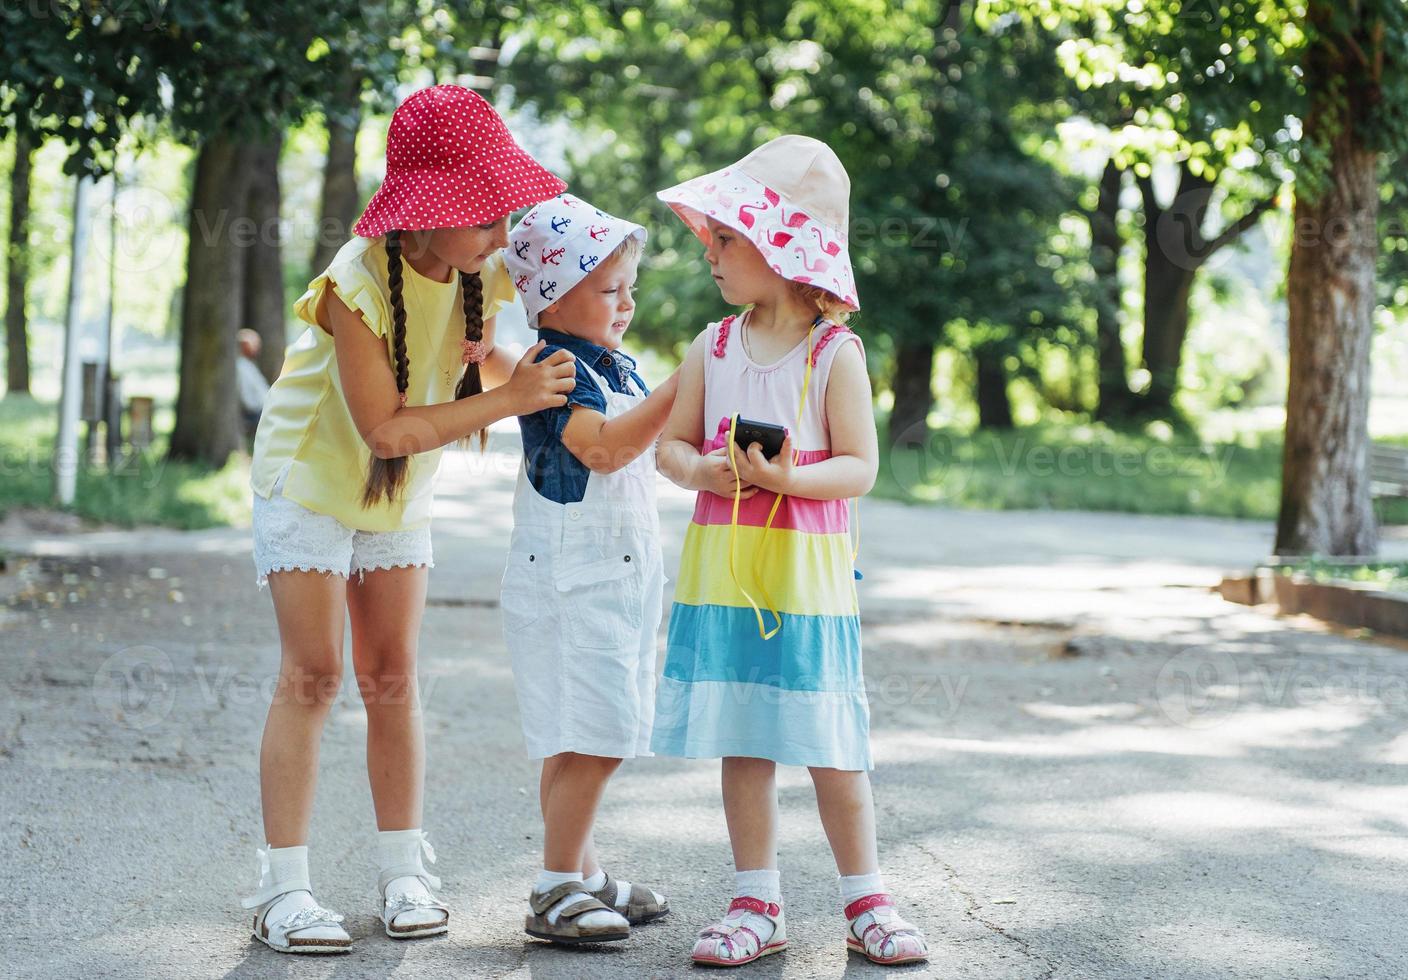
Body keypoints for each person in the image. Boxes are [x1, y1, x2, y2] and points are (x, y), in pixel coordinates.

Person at [241, 84, 575, 955]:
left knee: (391, 672)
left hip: (396, 489)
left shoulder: (481, 262)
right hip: (311, 480)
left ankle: (401, 869)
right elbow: (385, 425)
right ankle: (284, 890)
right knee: (314, 674)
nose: (500, 233)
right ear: (423, 216)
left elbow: (518, 321)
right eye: (481, 216)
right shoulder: (353, 285)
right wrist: (507, 399)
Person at [650, 135, 930, 967]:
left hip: (803, 579)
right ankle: (755, 899)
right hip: (726, 573)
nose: (710, 249)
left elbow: (860, 467)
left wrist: (781, 478)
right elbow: (668, 446)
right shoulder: (713, 345)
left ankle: (864, 897)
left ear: (782, 248)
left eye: (726, 237)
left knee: (827, 740)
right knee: (745, 734)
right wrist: (700, 465)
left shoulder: (831, 353)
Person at [499, 194, 679, 945]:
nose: (627, 303)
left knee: (585, 729)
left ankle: (580, 871)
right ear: (552, 297)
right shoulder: (555, 367)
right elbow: (603, 449)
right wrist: (681, 385)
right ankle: (552, 889)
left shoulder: (617, 368)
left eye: (628, 287)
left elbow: (654, 452)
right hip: (574, 585)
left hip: (616, 582)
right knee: (596, 734)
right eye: (610, 290)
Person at [237, 328, 270, 442]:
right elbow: (247, 399)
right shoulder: (241, 367)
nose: (258, 348)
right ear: (245, 345)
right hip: (255, 413)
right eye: (255, 344)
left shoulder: (249, 365)